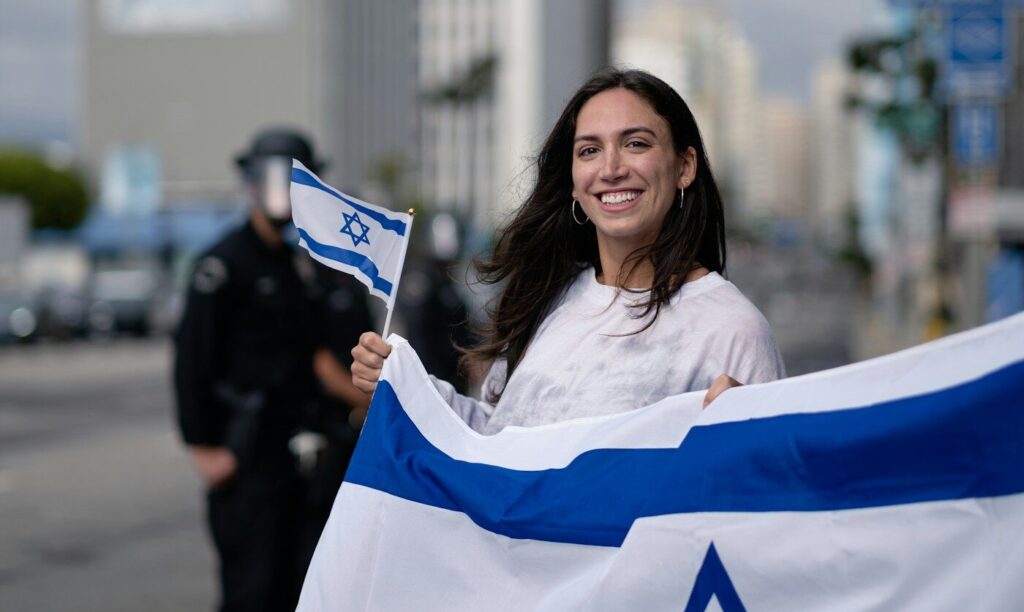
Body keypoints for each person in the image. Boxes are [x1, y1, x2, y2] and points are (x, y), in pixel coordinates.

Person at [352, 68, 785, 434]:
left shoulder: (732, 329)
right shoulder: (544, 299)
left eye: (636, 144)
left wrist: (742, 446)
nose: (612, 169)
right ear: (574, 182)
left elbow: (765, 499)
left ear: (684, 167)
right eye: (590, 150)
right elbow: (492, 436)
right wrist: (402, 386)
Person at [174, 127, 370, 611]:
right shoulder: (224, 264)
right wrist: (205, 448)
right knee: (253, 593)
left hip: (305, 462)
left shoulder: (302, 264)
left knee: (303, 590)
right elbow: (192, 359)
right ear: (251, 183)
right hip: (250, 458)